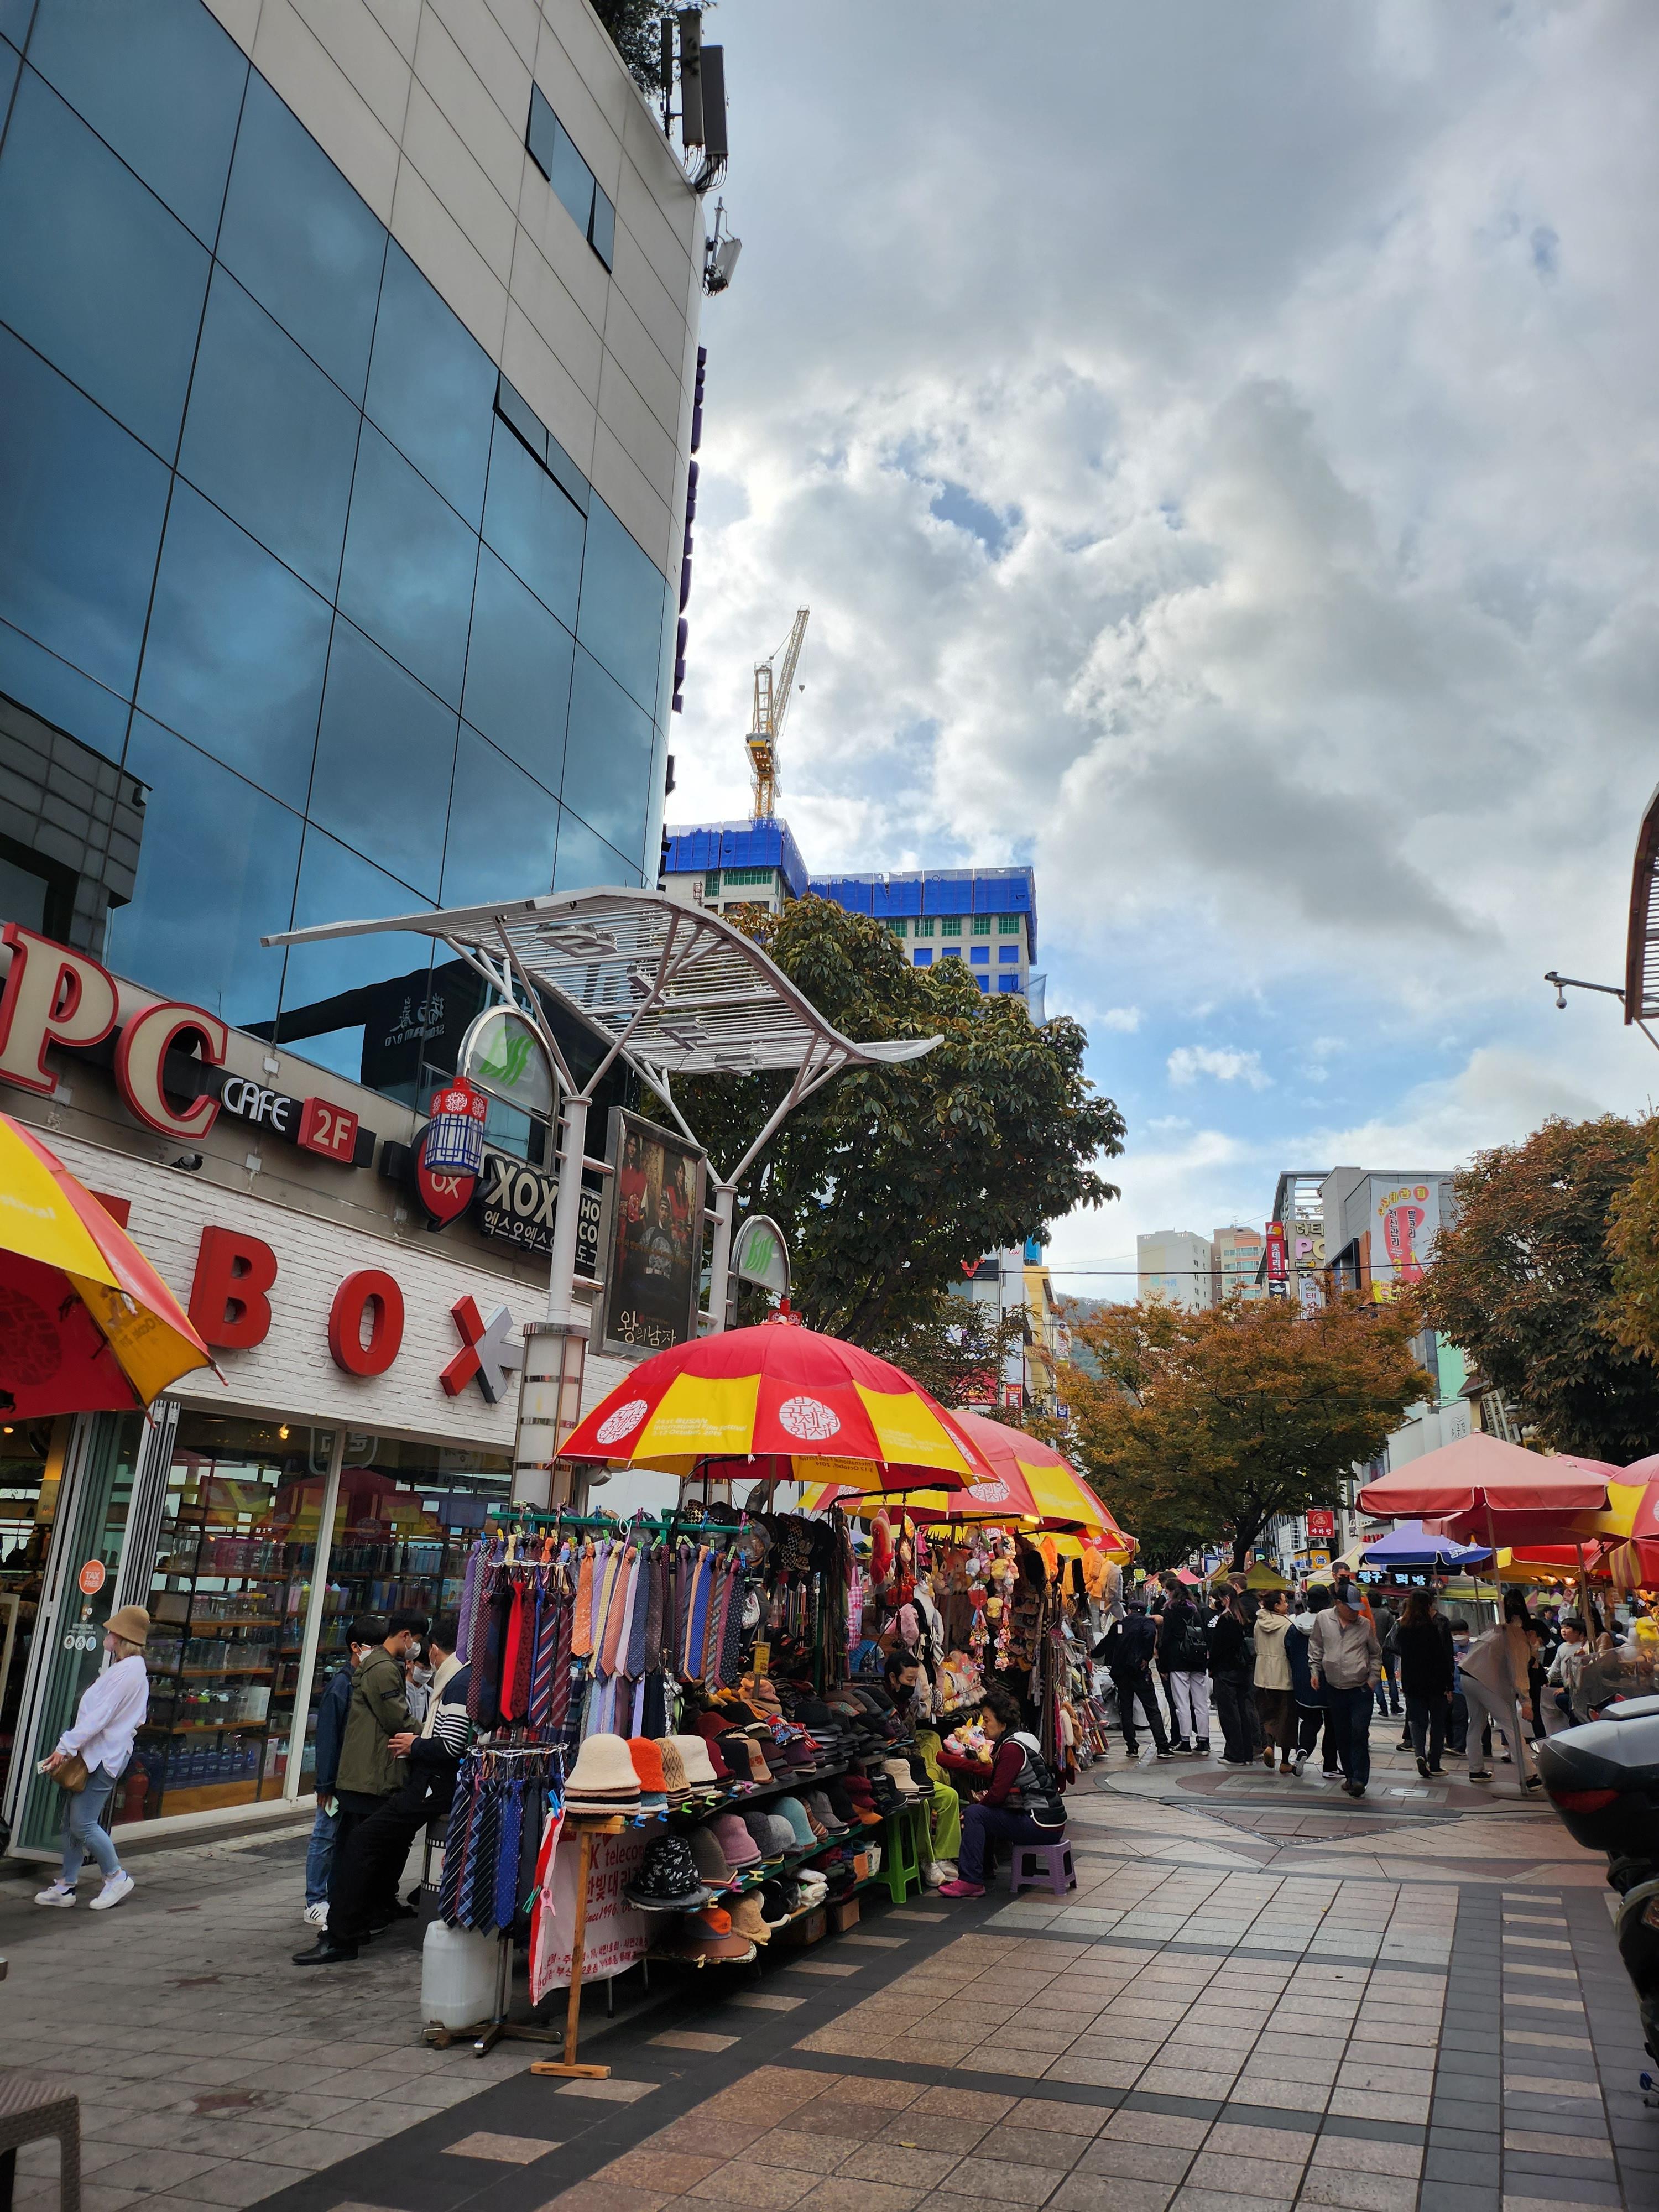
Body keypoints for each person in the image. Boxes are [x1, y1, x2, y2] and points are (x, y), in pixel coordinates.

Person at [296, 1617, 469, 1965]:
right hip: (408, 1782)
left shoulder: (455, 1683)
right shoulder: (442, 1678)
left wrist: (415, 1744)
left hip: (427, 1785)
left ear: (435, 1650)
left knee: (362, 1844)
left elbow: (451, 1745)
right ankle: (352, 1926)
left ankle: (343, 1935)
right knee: (371, 1845)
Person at [293, 1612, 419, 1964]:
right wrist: (325, 1783)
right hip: (355, 1781)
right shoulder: (365, 1676)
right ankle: (326, 1914)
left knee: (354, 1853)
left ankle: (355, 1922)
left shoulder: (376, 1670)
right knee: (338, 1847)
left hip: (362, 1779)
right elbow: (334, 1735)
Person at [34, 1605, 152, 1912]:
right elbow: (137, 1718)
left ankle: (116, 1877)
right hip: (98, 1755)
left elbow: (99, 1717)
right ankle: (66, 1885)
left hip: (103, 1757)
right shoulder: (129, 1669)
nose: (107, 1634)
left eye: (112, 1631)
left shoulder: (127, 1672)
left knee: (83, 1823)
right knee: (71, 1822)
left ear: (122, 1637)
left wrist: (66, 1747)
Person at [938, 1682, 1067, 1898]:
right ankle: (984, 1869)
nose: (983, 1725)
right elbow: (1000, 1781)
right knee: (984, 1813)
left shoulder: (1011, 1749)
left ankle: (970, 1880)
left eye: (987, 1720)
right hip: (1051, 1821)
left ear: (1003, 1723)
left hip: (1040, 1824)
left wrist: (973, 1811)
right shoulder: (1019, 1741)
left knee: (976, 1814)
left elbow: (997, 1794)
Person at [304, 1623, 377, 1927]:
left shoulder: (363, 1682)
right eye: (372, 1646)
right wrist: (325, 1783)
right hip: (334, 1780)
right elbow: (328, 1738)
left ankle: (332, 1897)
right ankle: (314, 1900)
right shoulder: (341, 1686)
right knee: (325, 1836)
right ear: (356, 1648)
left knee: (340, 1839)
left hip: (351, 1779)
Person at [1308, 1581, 1382, 1797]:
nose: (1355, 1613)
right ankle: (1350, 1776)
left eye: (1357, 1608)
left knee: (1359, 1732)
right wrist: (1315, 1671)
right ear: (1338, 1604)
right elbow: (1316, 1646)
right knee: (1342, 1734)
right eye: (1351, 1608)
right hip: (1334, 1688)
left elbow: (1375, 1653)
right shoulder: (1323, 1619)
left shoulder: (1364, 1625)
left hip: (1360, 1689)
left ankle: (1360, 1779)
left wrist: (1373, 1680)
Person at [1462, 1594, 1542, 1788]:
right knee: (1511, 1725)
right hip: (1484, 1679)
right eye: (1539, 1639)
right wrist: (1526, 1702)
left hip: (1468, 1674)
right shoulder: (1517, 1637)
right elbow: (1519, 1672)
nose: (1537, 1644)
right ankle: (1529, 1775)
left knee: (1476, 1724)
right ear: (1532, 1633)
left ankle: (1476, 1769)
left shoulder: (1497, 1631)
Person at [1094, 1599, 1173, 1759]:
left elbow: (1106, 1643)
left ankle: (1132, 1747)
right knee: (1152, 1708)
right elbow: (1150, 1635)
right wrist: (1146, 1657)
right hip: (1140, 1672)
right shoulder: (1147, 1623)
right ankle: (1162, 1746)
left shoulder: (1119, 1625)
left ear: (1129, 1611)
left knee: (1126, 1709)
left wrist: (1092, 1653)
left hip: (1121, 1673)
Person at [1392, 1589, 1454, 1777]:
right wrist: (1449, 1685)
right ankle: (1434, 1763)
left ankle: (1419, 1753)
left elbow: (1397, 1651)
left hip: (1412, 1683)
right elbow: (1442, 1657)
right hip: (1435, 1683)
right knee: (1437, 1724)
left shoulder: (1403, 1628)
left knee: (1417, 1722)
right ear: (1429, 1604)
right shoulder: (1431, 1628)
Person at [1159, 1580, 1212, 1756]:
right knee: (1201, 1702)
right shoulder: (1197, 1609)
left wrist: (1163, 1666)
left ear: (1171, 1592)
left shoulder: (1170, 1611)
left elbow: (1166, 1639)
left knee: (1182, 1703)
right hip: (1197, 1659)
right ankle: (1204, 1740)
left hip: (1178, 1660)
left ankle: (1185, 1741)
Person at [1286, 1587, 1336, 1775]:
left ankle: (1303, 1750)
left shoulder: (1295, 1625)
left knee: (1310, 1721)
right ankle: (1330, 1766)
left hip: (1303, 1681)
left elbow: (1288, 1649)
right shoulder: (1332, 1623)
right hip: (1330, 1679)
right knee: (1332, 1724)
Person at [1209, 1586, 1255, 1765]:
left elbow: (1218, 1648)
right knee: (1243, 1711)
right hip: (1242, 1670)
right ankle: (1247, 1753)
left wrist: (1211, 1667)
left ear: (1225, 1599)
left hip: (1225, 1670)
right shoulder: (1242, 1616)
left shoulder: (1226, 1619)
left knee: (1229, 1713)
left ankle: (1234, 1753)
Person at [1251, 1589, 1297, 1773]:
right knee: (1286, 1719)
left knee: (1268, 1715)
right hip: (1283, 1677)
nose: (1287, 1605)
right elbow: (1292, 1651)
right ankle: (1285, 1762)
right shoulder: (1287, 1625)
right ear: (1277, 1606)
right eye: (1284, 1602)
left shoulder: (1259, 1622)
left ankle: (1269, 1746)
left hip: (1262, 1676)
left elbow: (1256, 1646)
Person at [1546, 1619, 1589, 1732]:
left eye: (1568, 1628)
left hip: (1580, 1688)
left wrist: (1567, 1688)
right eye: (1562, 1628)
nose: (1563, 1631)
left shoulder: (1584, 1647)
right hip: (1568, 1687)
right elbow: (1556, 1665)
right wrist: (1549, 1678)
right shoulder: (1562, 1647)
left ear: (1578, 1632)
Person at [1372, 1596, 1405, 1721]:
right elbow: (1394, 1632)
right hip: (1387, 1650)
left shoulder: (1366, 1614)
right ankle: (1395, 1704)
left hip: (1372, 1651)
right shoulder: (1386, 1615)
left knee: (1376, 1678)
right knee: (1391, 1677)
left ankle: (1383, 1706)